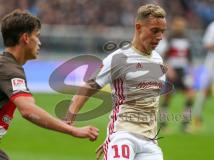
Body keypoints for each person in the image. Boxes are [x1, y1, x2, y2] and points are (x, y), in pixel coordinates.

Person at [66, 4, 168, 160]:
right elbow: (91, 84)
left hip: (150, 142)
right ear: (138, 27)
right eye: (155, 31)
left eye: (162, 31)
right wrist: (71, 114)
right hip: (124, 135)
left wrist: (110, 139)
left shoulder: (158, 59)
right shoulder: (119, 58)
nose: (160, 37)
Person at [0, 9, 99, 158]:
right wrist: (73, 130)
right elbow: (28, 110)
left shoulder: (6, 65)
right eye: (37, 36)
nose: (39, 42)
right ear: (26, 38)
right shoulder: (9, 70)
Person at [158, 16, 195, 132]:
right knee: (168, 97)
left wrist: (191, 70)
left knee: (190, 95)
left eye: (182, 25)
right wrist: (168, 69)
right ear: (174, 26)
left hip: (183, 71)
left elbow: (189, 56)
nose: (180, 27)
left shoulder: (187, 39)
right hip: (172, 70)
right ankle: (163, 125)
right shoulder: (169, 39)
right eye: (178, 25)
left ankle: (185, 124)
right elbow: (163, 56)